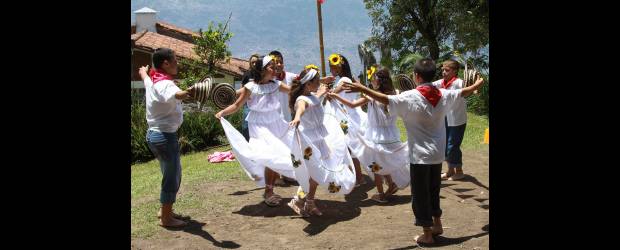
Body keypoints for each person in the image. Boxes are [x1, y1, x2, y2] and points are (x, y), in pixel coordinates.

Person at [342, 58, 485, 244]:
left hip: (419, 156)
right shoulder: (444, 94)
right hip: (437, 155)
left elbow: (384, 99)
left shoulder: (410, 97)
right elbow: (464, 92)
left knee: (420, 196)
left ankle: (427, 235)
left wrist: (362, 89)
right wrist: (478, 83)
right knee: (433, 191)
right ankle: (437, 224)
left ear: (416, 76)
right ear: (432, 75)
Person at [216, 55, 294, 207]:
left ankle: (269, 190)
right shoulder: (250, 87)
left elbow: (293, 91)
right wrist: (222, 113)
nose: (275, 68)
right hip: (259, 125)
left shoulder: (276, 84)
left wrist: (314, 90)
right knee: (271, 156)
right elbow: (237, 105)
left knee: (278, 156)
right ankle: (269, 191)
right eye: (271, 66)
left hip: (276, 123)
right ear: (263, 70)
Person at [328, 65, 410, 203]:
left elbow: (352, 105)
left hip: (376, 134)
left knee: (375, 165)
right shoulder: (395, 93)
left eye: (372, 79)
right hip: (391, 133)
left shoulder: (371, 95)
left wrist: (336, 96)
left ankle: (381, 194)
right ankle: (391, 184)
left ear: (378, 81)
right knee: (384, 161)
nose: (371, 82)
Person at [287, 64, 357, 217]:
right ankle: (299, 200)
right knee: (315, 172)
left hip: (318, 138)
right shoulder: (301, 99)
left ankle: (308, 202)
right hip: (309, 140)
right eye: (317, 80)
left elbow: (314, 101)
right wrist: (297, 117)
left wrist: (322, 93)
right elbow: (301, 107)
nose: (319, 83)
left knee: (319, 171)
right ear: (308, 83)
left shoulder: (312, 96)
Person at [138, 48, 195, 228]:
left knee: (168, 174)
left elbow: (145, 78)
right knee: (172, 177)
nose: (178, 63)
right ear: (166, 63)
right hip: (164, 137)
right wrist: (191, 91)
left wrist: (143, 71)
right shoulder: (165, 84)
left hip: (155, 136)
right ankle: (166, 219)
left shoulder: (154, 80)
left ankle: (164, 211)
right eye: (175, 60)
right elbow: (177, 94)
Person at [326, 53, 366, 187]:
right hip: (350, 115)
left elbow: (331, 96)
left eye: (332, 67)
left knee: (349, 146)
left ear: (338, 67)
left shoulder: (343, 80)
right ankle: (357, 177)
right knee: (350, 147)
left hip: (346, 116)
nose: (331, 70)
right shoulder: (350, 79)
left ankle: (357, 177)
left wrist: (328, 90)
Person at [432, 59, 468, 180]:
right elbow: (428, 86)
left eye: (447, 70)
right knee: (445, 144)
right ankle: (450, 170)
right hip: (445, 119)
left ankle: (459, 171)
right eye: (442, 69)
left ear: (455, 71)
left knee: (452, 146)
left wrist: (475, 87)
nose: (443, 72)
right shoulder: (441, 83)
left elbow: (469, 88)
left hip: (458, 120)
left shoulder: (459, 83)